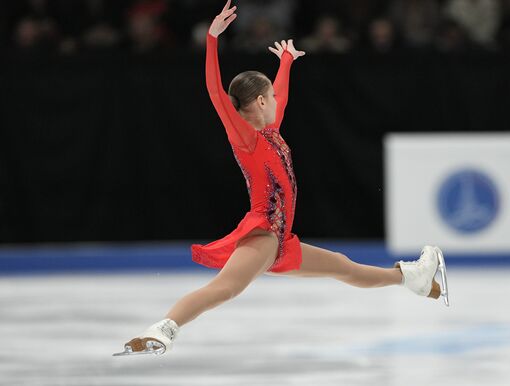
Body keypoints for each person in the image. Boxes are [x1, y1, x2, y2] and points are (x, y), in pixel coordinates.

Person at [114, 0, 449, 357]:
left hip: (281, 241)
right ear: (259, 101)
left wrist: (285, 62)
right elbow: (215, 94)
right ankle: (162, 330)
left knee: (344, 267)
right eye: (269, 95)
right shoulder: (246, 138)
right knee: (225, 289)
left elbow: (282, 95)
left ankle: (412, 278)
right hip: (263, 233)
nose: (276, 98)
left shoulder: (270, 131)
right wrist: (212, 39)